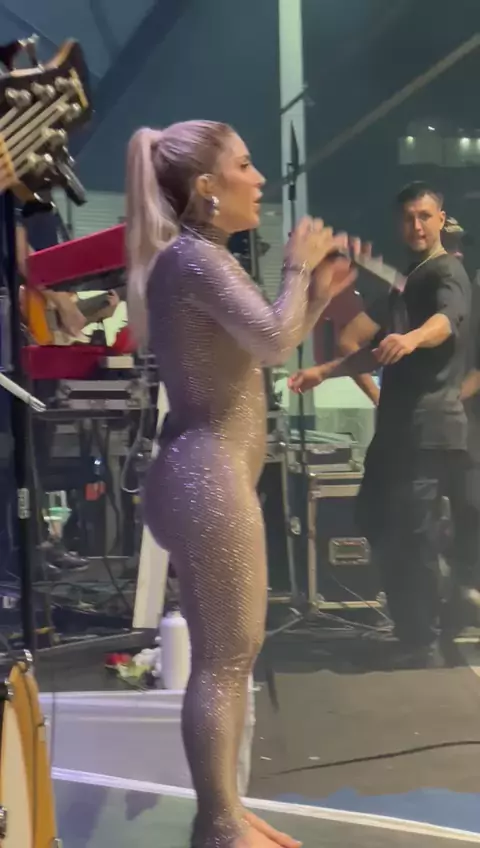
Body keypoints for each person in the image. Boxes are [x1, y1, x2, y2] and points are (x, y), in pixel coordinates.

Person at [125, 120, 358, 848]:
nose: (259, 181)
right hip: (208, 478)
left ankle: (222, 810)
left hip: (202, 474)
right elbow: (271, 337)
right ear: (207, 187)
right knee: (225, 663)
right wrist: (297, 269)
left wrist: (315, 295)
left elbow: (266, 342)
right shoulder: (195, 259)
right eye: (247, 166)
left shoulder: (198, 259)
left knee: (228, 659)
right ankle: (220, 824)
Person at [290, 181, 478, 663]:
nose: (417, 226)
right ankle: (433, 612)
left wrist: (413, 338)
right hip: (398, 430)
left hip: (428, 429)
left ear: (441, 220)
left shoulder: (447, 271)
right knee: (376, 517)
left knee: (413, 533)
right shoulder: (410, 280)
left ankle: (424, 638)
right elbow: (372, 350)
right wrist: (323, 371)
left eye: (425, 216)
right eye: (409, 218)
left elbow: (448, 320)